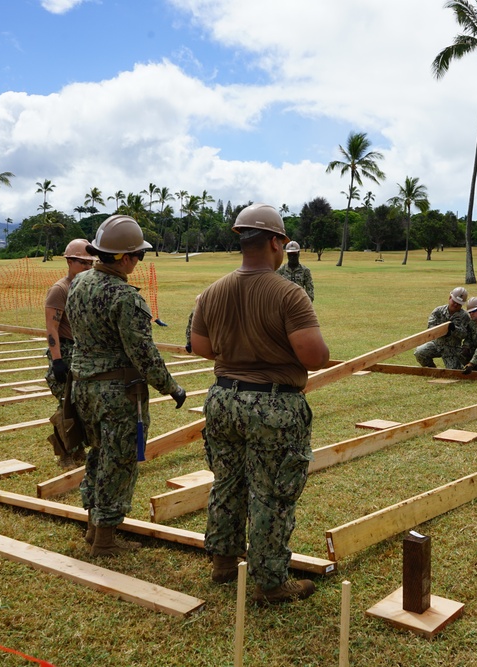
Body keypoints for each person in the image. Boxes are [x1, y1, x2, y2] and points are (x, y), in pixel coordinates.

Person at [190, 203, 329, 605]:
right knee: (272, 493)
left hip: (222, 399)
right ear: (274, 242)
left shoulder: (212, 291)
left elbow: (201, 346)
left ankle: (222, 562)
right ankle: (270, 583)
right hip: (272, 405)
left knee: (228, 483)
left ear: (241, 240)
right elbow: (314, 356)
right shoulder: (289, 293)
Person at [66, 215, 187, 557]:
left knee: (97, 455)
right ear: (123, 257)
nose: (138, 261)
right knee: (118, 462)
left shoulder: (78, 284)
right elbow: (144, 355)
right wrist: (172, 387)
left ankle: (94, 527)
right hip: (116, 395)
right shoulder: (125, 298)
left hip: (83, 389)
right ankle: (104, 540)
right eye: (138, 255)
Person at [44, 239, 93, 399]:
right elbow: (52, 328)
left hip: (84, 352)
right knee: (68, 407)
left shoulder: (87, 287)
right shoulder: (60, 290)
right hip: (66, 352)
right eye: (83, 262)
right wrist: (57, 361)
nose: (87, 267)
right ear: (69, 261)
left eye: (90, 263)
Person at [414, 287, 470, 370]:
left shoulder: (464, 316)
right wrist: (442, 331)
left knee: (454, 372)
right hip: (436, 344)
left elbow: (464, 334)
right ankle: (432, 369)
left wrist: (454, 329)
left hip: (452, 348)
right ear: (450, 298)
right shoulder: (438, 311)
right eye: (454, 302)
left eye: (458, 304)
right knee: (419, 352)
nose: (455, 305)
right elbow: (430, 327)